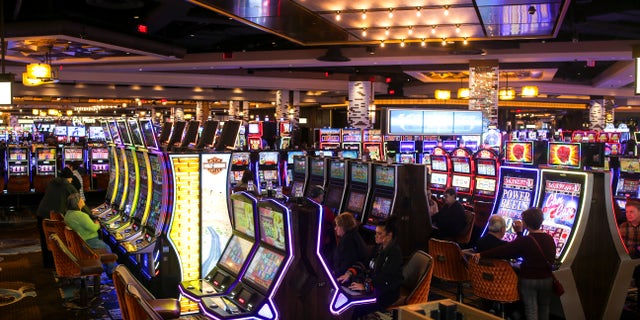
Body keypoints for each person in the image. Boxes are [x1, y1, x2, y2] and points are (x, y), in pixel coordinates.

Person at [473, 208, 556, 320]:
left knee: (531, 309)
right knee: (544, 309)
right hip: (546, 278)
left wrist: (481, 254)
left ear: (525, 224)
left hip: (529, 278)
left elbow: (505, 251)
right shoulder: (550, 239)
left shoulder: (525, 240)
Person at [337, 216, 403, 320]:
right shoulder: (378, 248)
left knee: (354, 307)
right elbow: (365, 264)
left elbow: (385, 279)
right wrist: (349, 273)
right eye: (376, 232)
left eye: (379, 234)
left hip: (385, 293)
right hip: (373, 286)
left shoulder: (394, 254)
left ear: (389, 236)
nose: (375, 236)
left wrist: (366, 286)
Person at [64, 193, 117, 276]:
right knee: (107, 247)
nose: (83, 200)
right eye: (81, 199)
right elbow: (93, 228)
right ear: (78, 203)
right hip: (88, 241)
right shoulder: (81, 215)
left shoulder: (68, 214)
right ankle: (112, 272)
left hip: (79, 241)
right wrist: (97, 223)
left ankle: (107, 268)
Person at [35, 169, 79, 268]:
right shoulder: (68, 186)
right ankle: (57, 265)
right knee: (58, 240)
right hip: (53, 216)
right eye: (71, 178)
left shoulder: (52, 182)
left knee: (46, 240)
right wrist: (90, 215)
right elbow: (79, 203)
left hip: (41, 213)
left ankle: (48, 263)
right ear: (69, 178)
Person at [332, 212, 368, 277]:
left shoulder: (347, 241)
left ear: (343, 227)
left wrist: (333, 274)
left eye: (337, 225)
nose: (335, 228)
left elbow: (346, 265)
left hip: (347, 278)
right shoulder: (353, 235)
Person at [308, 185, 336, 261]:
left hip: (308, 241)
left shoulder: (305, 205)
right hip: (322, 243)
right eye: (322, 196)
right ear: (320, 196)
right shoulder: (323, 210)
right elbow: (335, 222)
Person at [619, 200, 640, 292]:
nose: (628, 214)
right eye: (627, 212)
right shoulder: (623, 226)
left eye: (631, 212)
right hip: (627, 259)